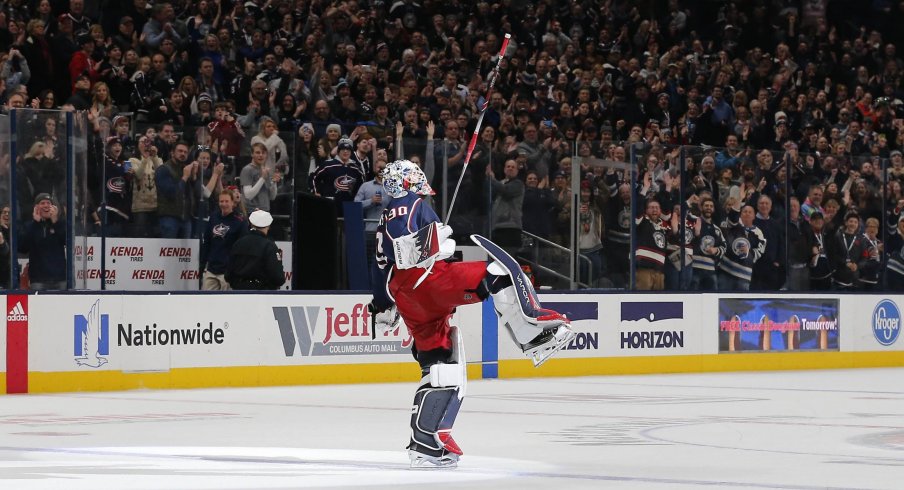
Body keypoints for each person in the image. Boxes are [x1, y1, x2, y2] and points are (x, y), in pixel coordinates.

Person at [369, 159, 575, 469]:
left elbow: (380, 268)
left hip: (408, 298)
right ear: (408, 179)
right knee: (497, 273)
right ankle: (532, 334)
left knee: (439, 365)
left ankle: (427, 442)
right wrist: (436, 242)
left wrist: (383, 305)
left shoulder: (385, 215)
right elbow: (406, 251)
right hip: (426, 280)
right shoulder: (406, 203)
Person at [225, 209, 284, 290]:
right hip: (262, 294)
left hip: (239, 292)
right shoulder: (269, 246)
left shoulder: (238, 243)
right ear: (269, 225)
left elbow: (228, 275)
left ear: (251, 223)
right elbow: (278, 278)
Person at [19, 193, 66, 290]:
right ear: (36, 207)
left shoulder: (60, 224)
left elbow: (67, 241)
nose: (46, 205)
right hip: (38, 280)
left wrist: (55, 222)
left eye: (48, 203)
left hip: (60, 279)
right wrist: (36, 223)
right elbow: (23, 247)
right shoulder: (30, 226)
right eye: (42, 203)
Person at [202, 189, 247, 290]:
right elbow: (207, 242)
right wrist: (202, 264)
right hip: (211, 270)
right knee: (206, 301)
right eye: (221, 201)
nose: (224, 204)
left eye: (226, 201)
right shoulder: (213, 217)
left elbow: (242, 249)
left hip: (228, 271)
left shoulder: (240, 221)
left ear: (232, 203)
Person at [155, 140, 196, 239]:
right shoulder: (163, 169)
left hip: (186, 218)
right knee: (168, 251)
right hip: (169, 217)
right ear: (172, 153)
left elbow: (192, 193)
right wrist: (185, 177)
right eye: (180, 151)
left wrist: (193, 176)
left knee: (185, 253)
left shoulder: (186, 169)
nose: (183, 154)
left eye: (185, 152)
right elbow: (171, 193)